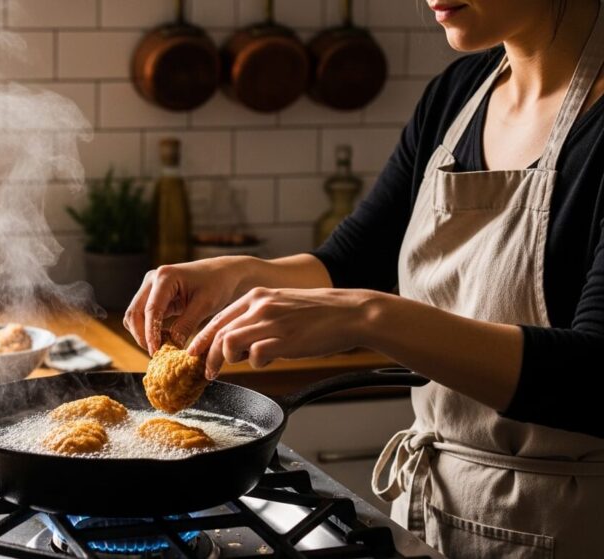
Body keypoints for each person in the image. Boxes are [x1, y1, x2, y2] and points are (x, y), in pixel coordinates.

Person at [124, 0, 604, 556]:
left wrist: (370, 317)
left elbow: (591, 382)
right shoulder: (460, 93)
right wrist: (242, 273)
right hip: (429, 512)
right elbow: (355, 261)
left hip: (568, 528)